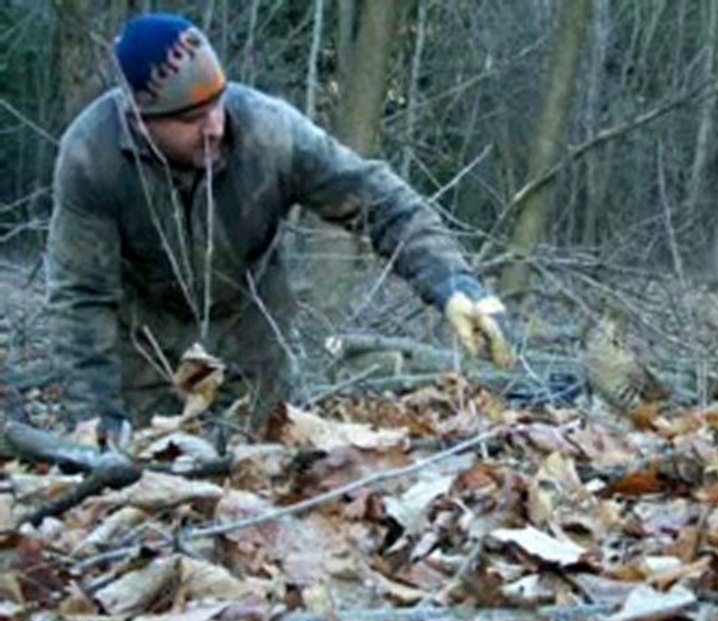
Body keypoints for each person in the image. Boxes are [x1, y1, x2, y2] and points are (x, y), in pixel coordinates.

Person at [47, 13, 513, 443]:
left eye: (216, 104)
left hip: (248, 332)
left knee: (256, 464)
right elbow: (81, 296)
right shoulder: (93, 155)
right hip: (145, 343)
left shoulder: (268, 132)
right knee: (151, 468)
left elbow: (382, 202)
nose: (213, 126)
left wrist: (451, 284)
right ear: (140, 119)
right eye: (191, 119)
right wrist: (96, 414)